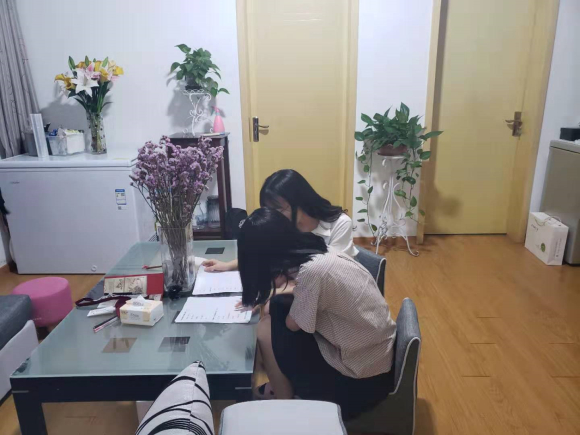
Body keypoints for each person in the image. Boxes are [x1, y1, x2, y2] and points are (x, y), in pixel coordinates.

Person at [238, 208, 397, 420]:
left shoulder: (312, 273)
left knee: (266, 328)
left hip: (360, 382)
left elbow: (292, 325)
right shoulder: (319, 252)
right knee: (273, 309)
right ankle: (282, 388)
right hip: (374, 358)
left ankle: (284, 405)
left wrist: (273, 297)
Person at [202, 169, 357, 272]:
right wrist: (228, 265)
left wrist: (274, 292)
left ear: (300, 202)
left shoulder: (340, 224)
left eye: (278, 209)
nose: (272, 216)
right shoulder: (282, 224)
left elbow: (332, 277)